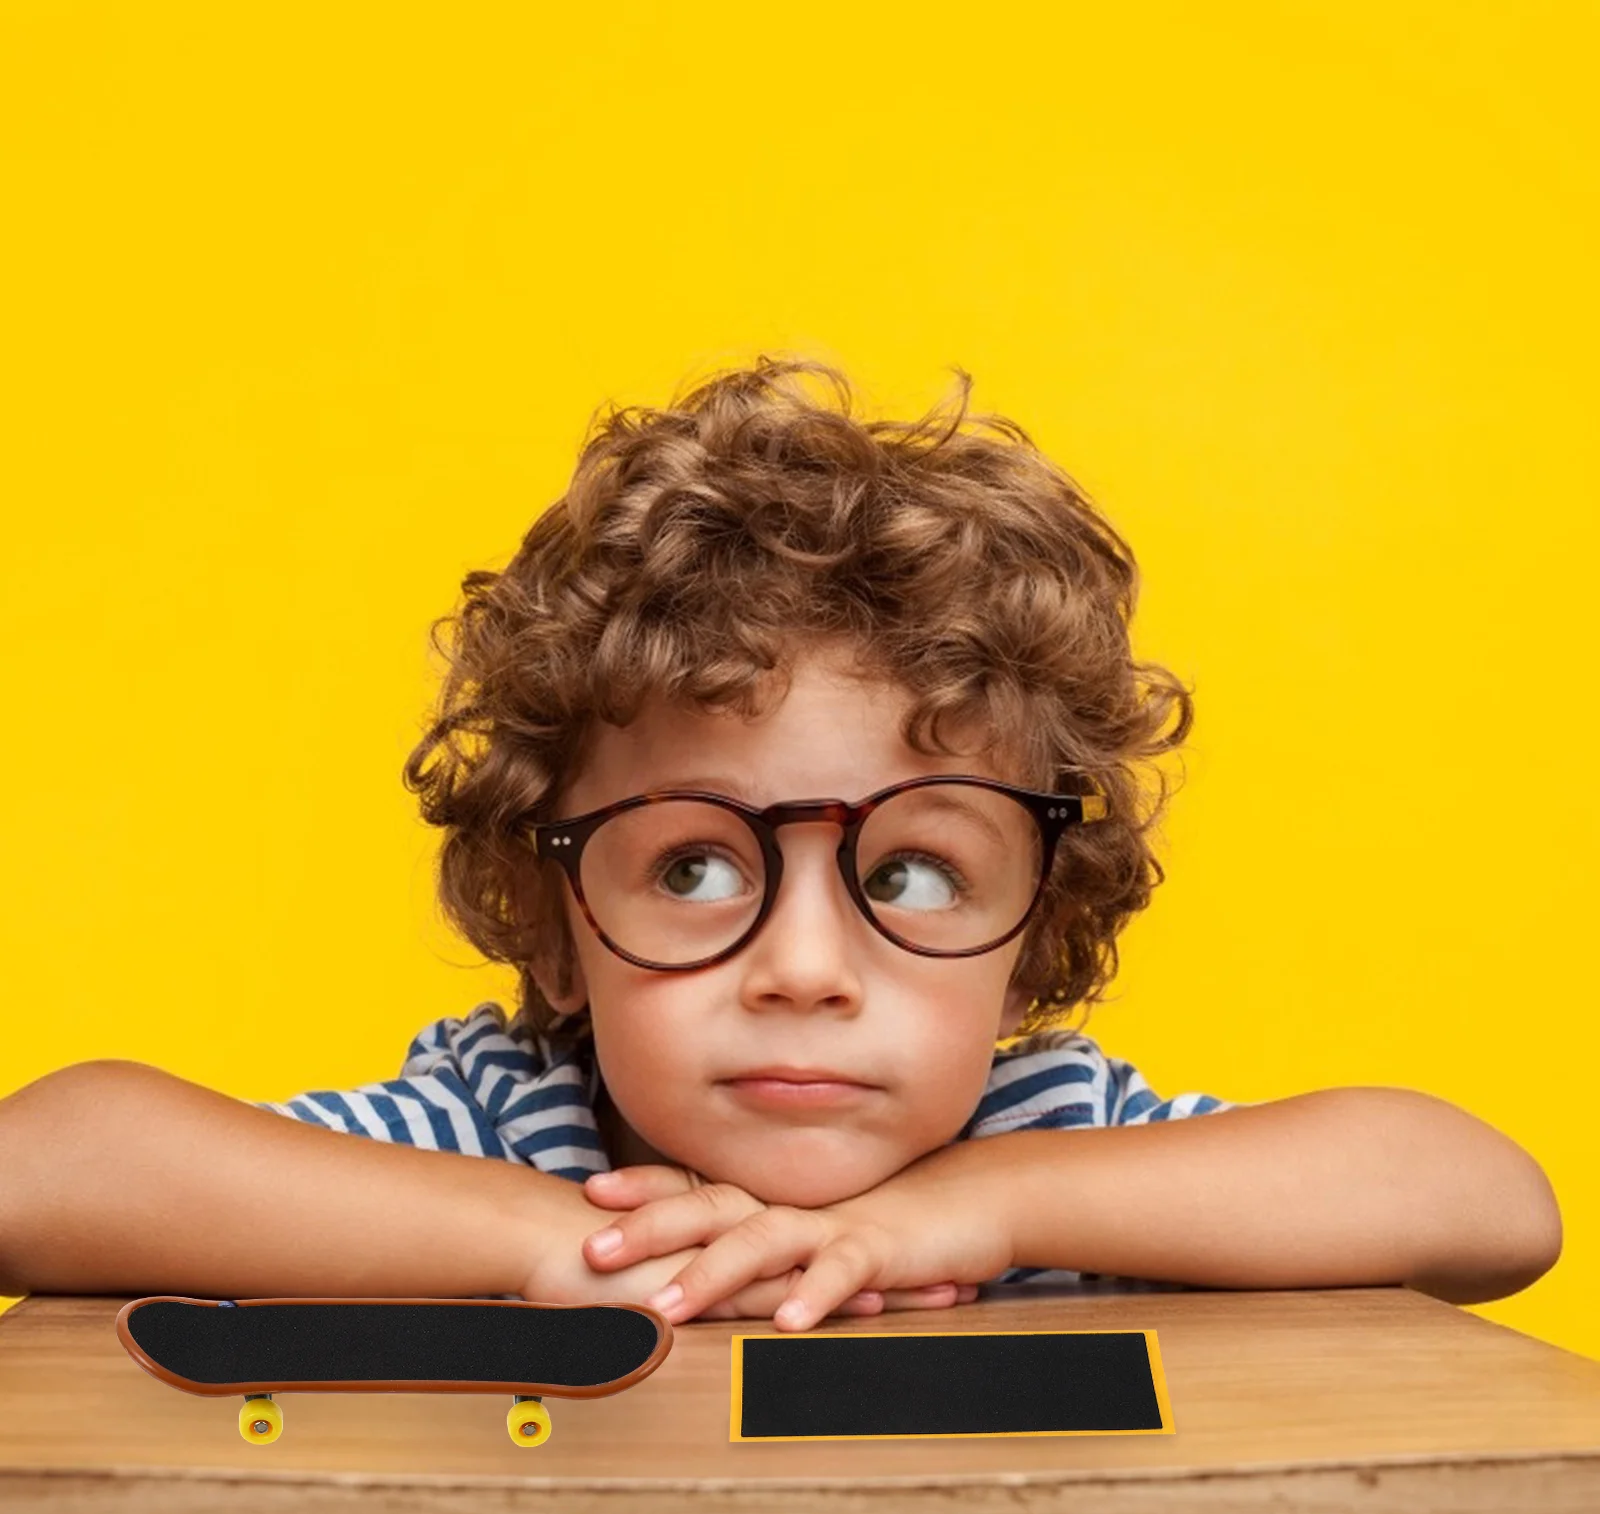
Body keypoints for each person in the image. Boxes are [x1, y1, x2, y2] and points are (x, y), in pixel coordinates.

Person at [0, 358, 1561, 1330]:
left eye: (911, 876)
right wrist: (544, 1243)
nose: (805, 969)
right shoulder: (503, 1129)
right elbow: (41, 1166)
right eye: (693, 869)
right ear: (552, 916)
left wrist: (984, 1212)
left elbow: (1488, 1203)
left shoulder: (1049, 1137)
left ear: (1037, 926)